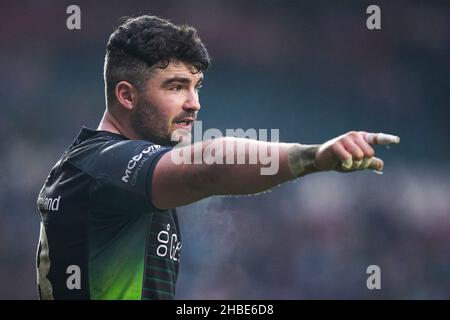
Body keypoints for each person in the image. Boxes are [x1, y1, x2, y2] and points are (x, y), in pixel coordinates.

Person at [36, 15, 399, 300]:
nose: (194, 103)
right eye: (176, 86)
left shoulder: (101, 171)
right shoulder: (103, 166)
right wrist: (313, 157)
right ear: (127, 96)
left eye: (196, 87)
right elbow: (209, 167)